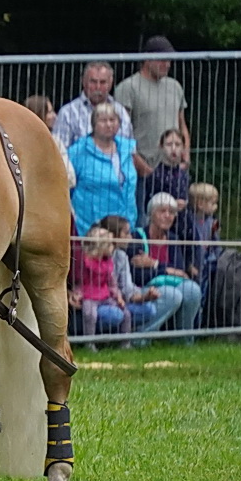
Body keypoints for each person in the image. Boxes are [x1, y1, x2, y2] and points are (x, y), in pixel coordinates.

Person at [130, 192, 204, 336]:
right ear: (151, 213)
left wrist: (154, 264)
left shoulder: (173, 239)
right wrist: (167, 269)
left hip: (170, 284)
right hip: (143, 288)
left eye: (172, 212)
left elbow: (180, 271)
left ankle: (183, 339)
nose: (168, 215)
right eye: (162, 211)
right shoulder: (137, 237)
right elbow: (137, 275)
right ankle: (141, 336)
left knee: (193, 290)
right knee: (172, 295)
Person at [114, 36, 189, 178]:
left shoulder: (175, 86)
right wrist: (141, 166)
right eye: (162, 60)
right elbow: (121, 133)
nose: (167, 64)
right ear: (147, 58)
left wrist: (186, 157)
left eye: (169, 60)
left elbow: (182, 125)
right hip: (141, 169)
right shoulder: (128, 87)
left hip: (173, 168)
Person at [67, 101, 138, 234]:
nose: (109, 125)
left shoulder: (127, 149)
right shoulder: (78, 151)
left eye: (113, 120)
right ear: (93, 124)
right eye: (103, 120)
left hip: (124, 229)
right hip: (91, 231)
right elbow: (67, 186)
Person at [55, 60, 131, 154]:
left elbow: (129, 151)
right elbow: (59, 153)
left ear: (110, 84)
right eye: (93, 82)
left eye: (103, 82)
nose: (98, 87)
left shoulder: (120, 111)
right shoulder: (67, 113)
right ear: (84, 82)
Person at [70, 226, 128, 339]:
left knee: (126, 313)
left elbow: (112, 283)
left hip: (105, 295)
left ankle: (126, 342)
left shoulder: (108, 262)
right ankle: (89, 342)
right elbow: (80, 281)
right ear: (102, 246)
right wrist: (77, 294)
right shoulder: (85, 262)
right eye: (110, 244)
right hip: (89, 296)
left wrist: (118, 297)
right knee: (90, 314)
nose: (113, 247)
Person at [137, 128, 190, 210]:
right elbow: (149, 204)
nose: (173, 149)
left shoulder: (184, 174)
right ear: (161, 147)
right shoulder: (156, 175)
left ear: (183, 147)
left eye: (177, 144)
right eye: (169, 144)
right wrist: (172, 204)